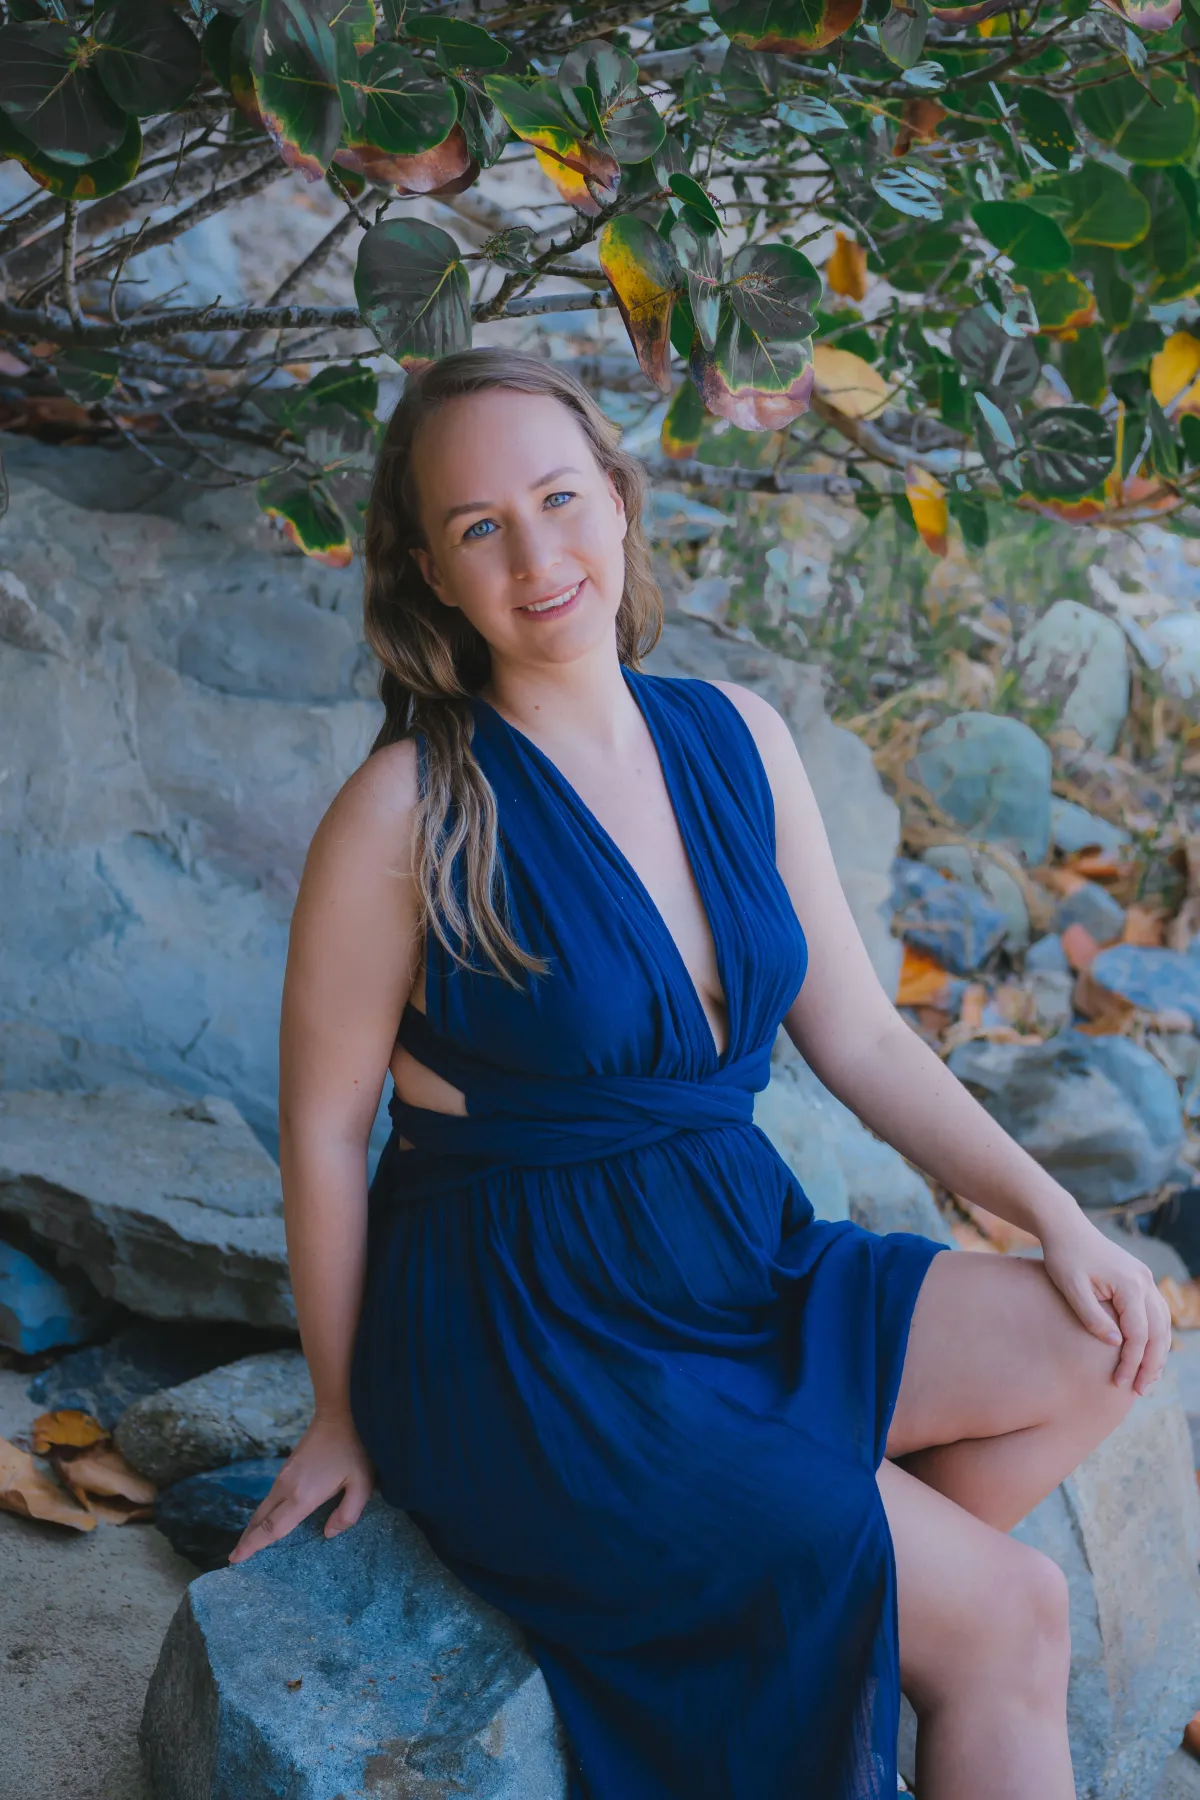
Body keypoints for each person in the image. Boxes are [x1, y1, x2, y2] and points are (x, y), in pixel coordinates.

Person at [228, 348, 1171, 1800]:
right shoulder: (415, 807)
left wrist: (1056, 1216)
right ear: (429, 569)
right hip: (533, 1324)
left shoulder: (737, 740)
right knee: (1010, 1619)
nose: (538, 554)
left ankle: (806, 1590)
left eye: (558, 498)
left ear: (617, 497)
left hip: (731, 1259)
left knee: (1102, 1336)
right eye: (481, 527)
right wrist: (344, 1406)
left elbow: (856, 1035)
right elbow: (321, 1124)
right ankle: (869, 1600)